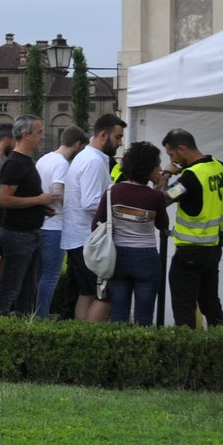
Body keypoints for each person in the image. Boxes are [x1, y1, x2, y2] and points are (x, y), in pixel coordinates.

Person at [92, 140, 173, 325]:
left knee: (118, 315)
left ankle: (119, 351)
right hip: (146, 258)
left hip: (118, 258)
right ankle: (142, 351)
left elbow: (96, 224)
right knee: (144, 317)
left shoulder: (113, 191)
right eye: (157, 165)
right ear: (148, 168)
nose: (159, 169)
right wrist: (159, 191)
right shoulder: (155, 197)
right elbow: (162, 224)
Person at [61, 113, 126, 322]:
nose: (120, 142)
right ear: (104, 135)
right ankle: (90, 340)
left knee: (86, 293)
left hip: (78, 238)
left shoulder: (88, 157)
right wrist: (118, 209)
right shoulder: (93, 161)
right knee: (103, 296)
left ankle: (83, 338)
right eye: (118, 137)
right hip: (87, 241)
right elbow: (90, 202)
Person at [163, 128, 223, 327]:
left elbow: (163, 199)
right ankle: (222, 345)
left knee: (184, 308)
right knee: (210, 303)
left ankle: (186, 350)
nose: (172, 159)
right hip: (213, 247)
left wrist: (167, 173)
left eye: (171, 154)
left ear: (182, 149)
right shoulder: (216, 166)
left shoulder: (191, 177)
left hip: (191, 251)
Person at [0, 115, 57, 315]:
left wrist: (40, 208)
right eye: (39, 132)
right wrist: (38, 201)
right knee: (11, 286)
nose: (42, 137)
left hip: (29, 232)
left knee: (28, 288)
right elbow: (5, 199)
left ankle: (23, 327)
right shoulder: (15, 163)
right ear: (25, 134)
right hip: (17, 234)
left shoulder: (26, 161)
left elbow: (20, 196)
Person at [32, 126, 84, 318]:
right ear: (77, 145)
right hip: (54, 226)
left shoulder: (45, 158)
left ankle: (31, 313)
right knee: (51, 275)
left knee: (38, 275)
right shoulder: (62, 164)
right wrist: (76, 201)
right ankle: (41, 316)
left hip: (40, 223)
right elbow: (57, 192)